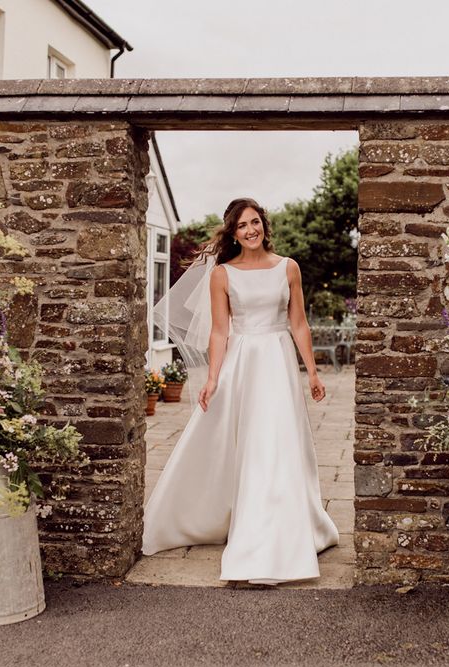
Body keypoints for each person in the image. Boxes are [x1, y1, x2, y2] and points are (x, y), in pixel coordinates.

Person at [143, 197, 339, 585]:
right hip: (243, 362)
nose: (250, 230)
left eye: (254, 222)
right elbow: (219, 331)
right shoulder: (223, 275)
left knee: (281, 443)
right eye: (241, 226)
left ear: (264, 224)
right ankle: (253, 536)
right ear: (233, 233)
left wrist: (313, 374)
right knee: (251, 445)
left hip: (278, 363)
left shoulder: (289, 268)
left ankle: (287, 529)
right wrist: (213, 378)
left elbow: (298, 323)